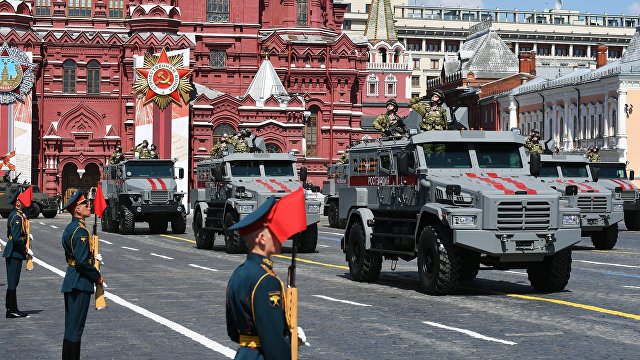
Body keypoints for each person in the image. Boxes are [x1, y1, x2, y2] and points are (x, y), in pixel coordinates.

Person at [226, 195, 309, 359]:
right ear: (262, 238)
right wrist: (288, 343)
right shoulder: (266, 280)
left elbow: (233, 332)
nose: (280, 236)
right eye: (274, 231)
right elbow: (273, 341)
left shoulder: (238, 274)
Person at [61, 190, 103, 359]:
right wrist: (97, 275)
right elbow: (82, 262)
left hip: (72, 278)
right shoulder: (80, 231)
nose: (88, 206)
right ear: (77, 209)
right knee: (76, 327)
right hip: (80, 281)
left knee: (71, 325)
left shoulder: (70, 228)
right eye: (85, 204)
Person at [3, 189, 31, 318]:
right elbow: (15, 238)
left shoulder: (17, 215)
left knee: (13, 281)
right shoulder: (16, 217)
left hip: (14, 251)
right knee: (13, 281)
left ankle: (11, 308)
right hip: (14, 252)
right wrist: (25, 249)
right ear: (18, 202)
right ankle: (12, 309)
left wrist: (26, 236)